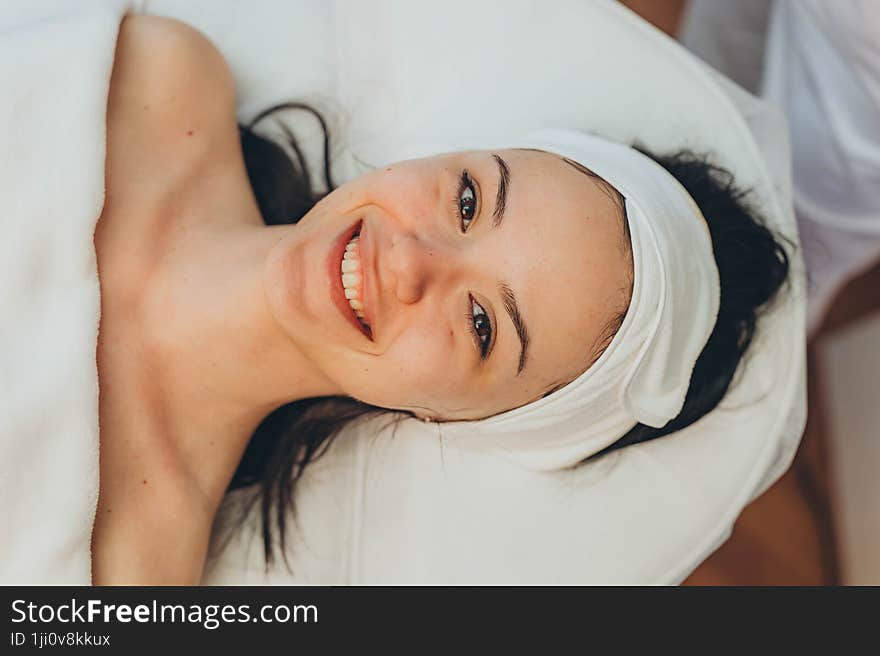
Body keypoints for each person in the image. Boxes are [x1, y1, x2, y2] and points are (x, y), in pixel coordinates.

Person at [90, 15, 790, 584]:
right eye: (468, 199)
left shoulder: (122, 568)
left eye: (483, 324)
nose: (409, 262)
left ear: (456, 420)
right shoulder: (155, 76)